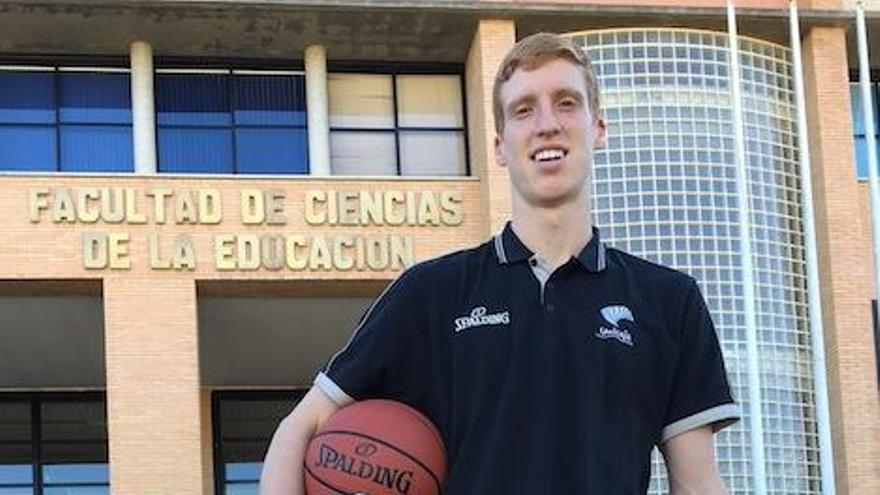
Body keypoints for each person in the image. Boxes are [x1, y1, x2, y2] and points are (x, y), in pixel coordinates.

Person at [260, 32, 739, 494]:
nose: (547, 123)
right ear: (499, 146)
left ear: (598, 128)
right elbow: (300, 426)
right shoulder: (430, 293)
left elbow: (698, 483)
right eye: (523, 110)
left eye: (567, 102)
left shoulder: (669, 301)